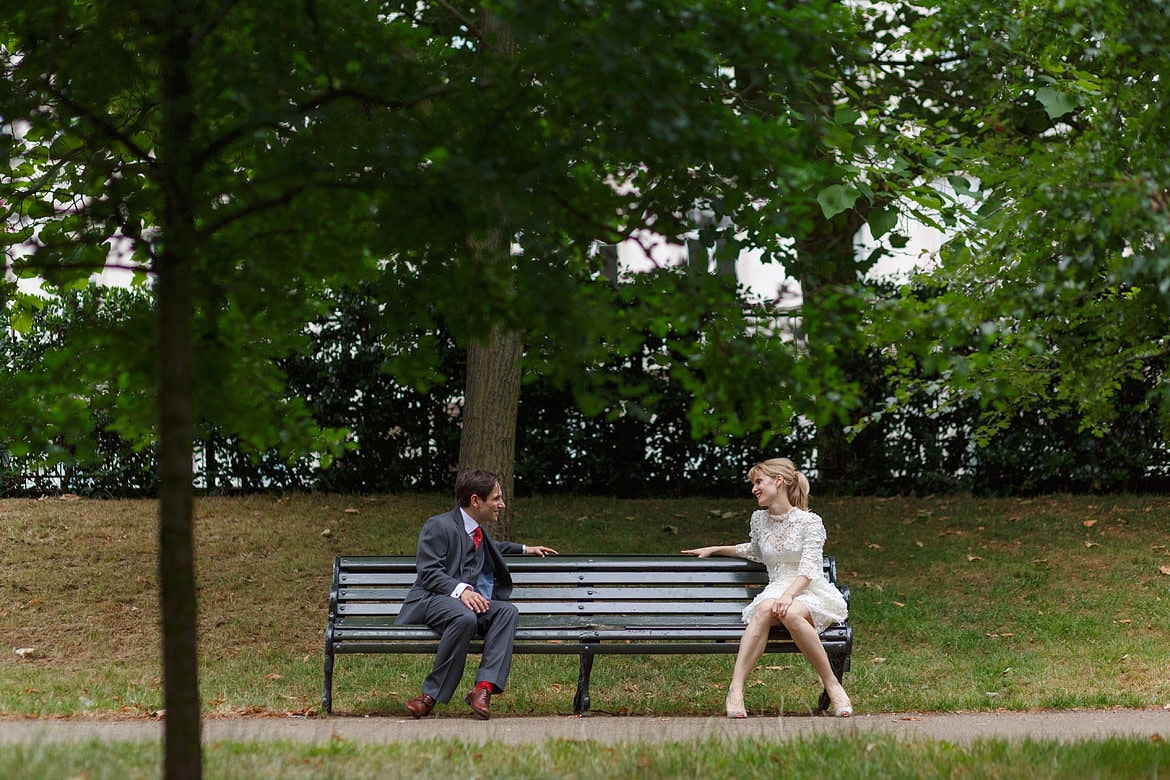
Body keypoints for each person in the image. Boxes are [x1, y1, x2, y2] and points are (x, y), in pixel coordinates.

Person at [682, 457, 853, 718]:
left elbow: (808, 570)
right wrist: (717, 549)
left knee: (792, 612)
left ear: (779, 481)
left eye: (759, 482)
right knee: (765, 609)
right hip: (777, 589)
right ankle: (735, 689)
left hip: (808, 590)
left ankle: (832, 684)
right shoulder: (759, 520)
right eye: (753, 483)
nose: (754, 489)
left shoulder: (810, 522)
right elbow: (756, 551)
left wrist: (788, 596)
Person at [397, 469, 558, 720]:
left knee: (506, 611)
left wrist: (527, 549)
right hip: (430, 600)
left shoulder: (477, 531)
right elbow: (428, 573)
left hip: (462, 607)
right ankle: (429, 696)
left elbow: (497, 548)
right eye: (496, 498)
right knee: (465, 618)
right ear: (475, 501)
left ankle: (483, 688)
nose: (501, 505)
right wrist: (462, 591)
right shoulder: (439, 525)